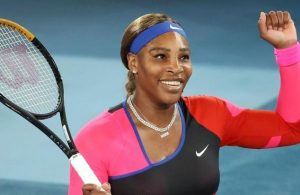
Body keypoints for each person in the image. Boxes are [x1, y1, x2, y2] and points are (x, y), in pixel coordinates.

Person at [68, 10, 300, 195]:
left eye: (184, 57)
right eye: (161, 56)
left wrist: (288, 49)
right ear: (133, 63)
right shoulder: (97, 139)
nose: (177, 68)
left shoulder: (211, 113)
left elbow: (291, 129)